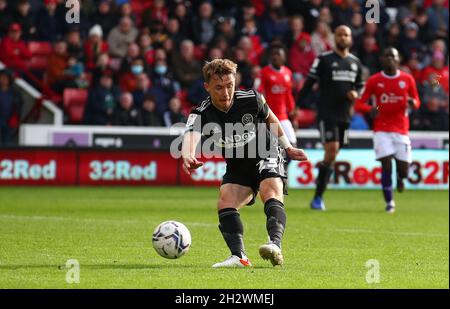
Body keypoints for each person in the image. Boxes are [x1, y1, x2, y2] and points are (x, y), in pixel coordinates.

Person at [181, 59, 308, 268]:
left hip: (265, 151)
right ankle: (239, 257)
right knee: (225, 201)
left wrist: (287, 146)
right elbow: (190, 136)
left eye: (230, 85)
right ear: (207, 87)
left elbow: (271, 118)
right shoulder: (201, 113)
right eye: (219, 87)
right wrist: (188, 155)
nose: (226, 92)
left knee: (269, 191)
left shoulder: (252, 99)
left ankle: (274, 245)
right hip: (238, 164)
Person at [297, 25, 364, 211]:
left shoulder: (355, 63)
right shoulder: (324, 59)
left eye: (346, 35)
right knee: (332, 148)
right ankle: (318, 198)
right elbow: (309, 83)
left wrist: (356, 93)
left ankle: (320, 184)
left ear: (350, 38)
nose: (343, 37)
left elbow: (360, 85)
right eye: (340, 34)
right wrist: (296, 105)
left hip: (345, 116)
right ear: (335, 38)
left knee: (332, 156)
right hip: (326, 113)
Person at [355, 47, 421, 213]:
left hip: (401, 129)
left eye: (393, 56)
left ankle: (401, 178)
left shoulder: (407, 79)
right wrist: (370, 109)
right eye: (387, 56)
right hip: (381, 129)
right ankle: (389, 202)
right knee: (386, 165)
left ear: (399, 60)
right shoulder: (374, 80)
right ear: (382, 60)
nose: (390, 59)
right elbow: (359, 103)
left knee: (404, 171)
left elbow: (417, 100)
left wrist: (413, 103)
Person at [259, 44, 297, 147]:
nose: (275, 57)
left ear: (284, 57)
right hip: (269, 116)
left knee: (293, 145)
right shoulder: (264, 72)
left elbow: (288, 95)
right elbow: (259, 93)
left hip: (283, 116)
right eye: (273, 54)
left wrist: (293, 115)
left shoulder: (288, 73)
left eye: (278, 54)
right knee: (271, 147)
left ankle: (282, 164)